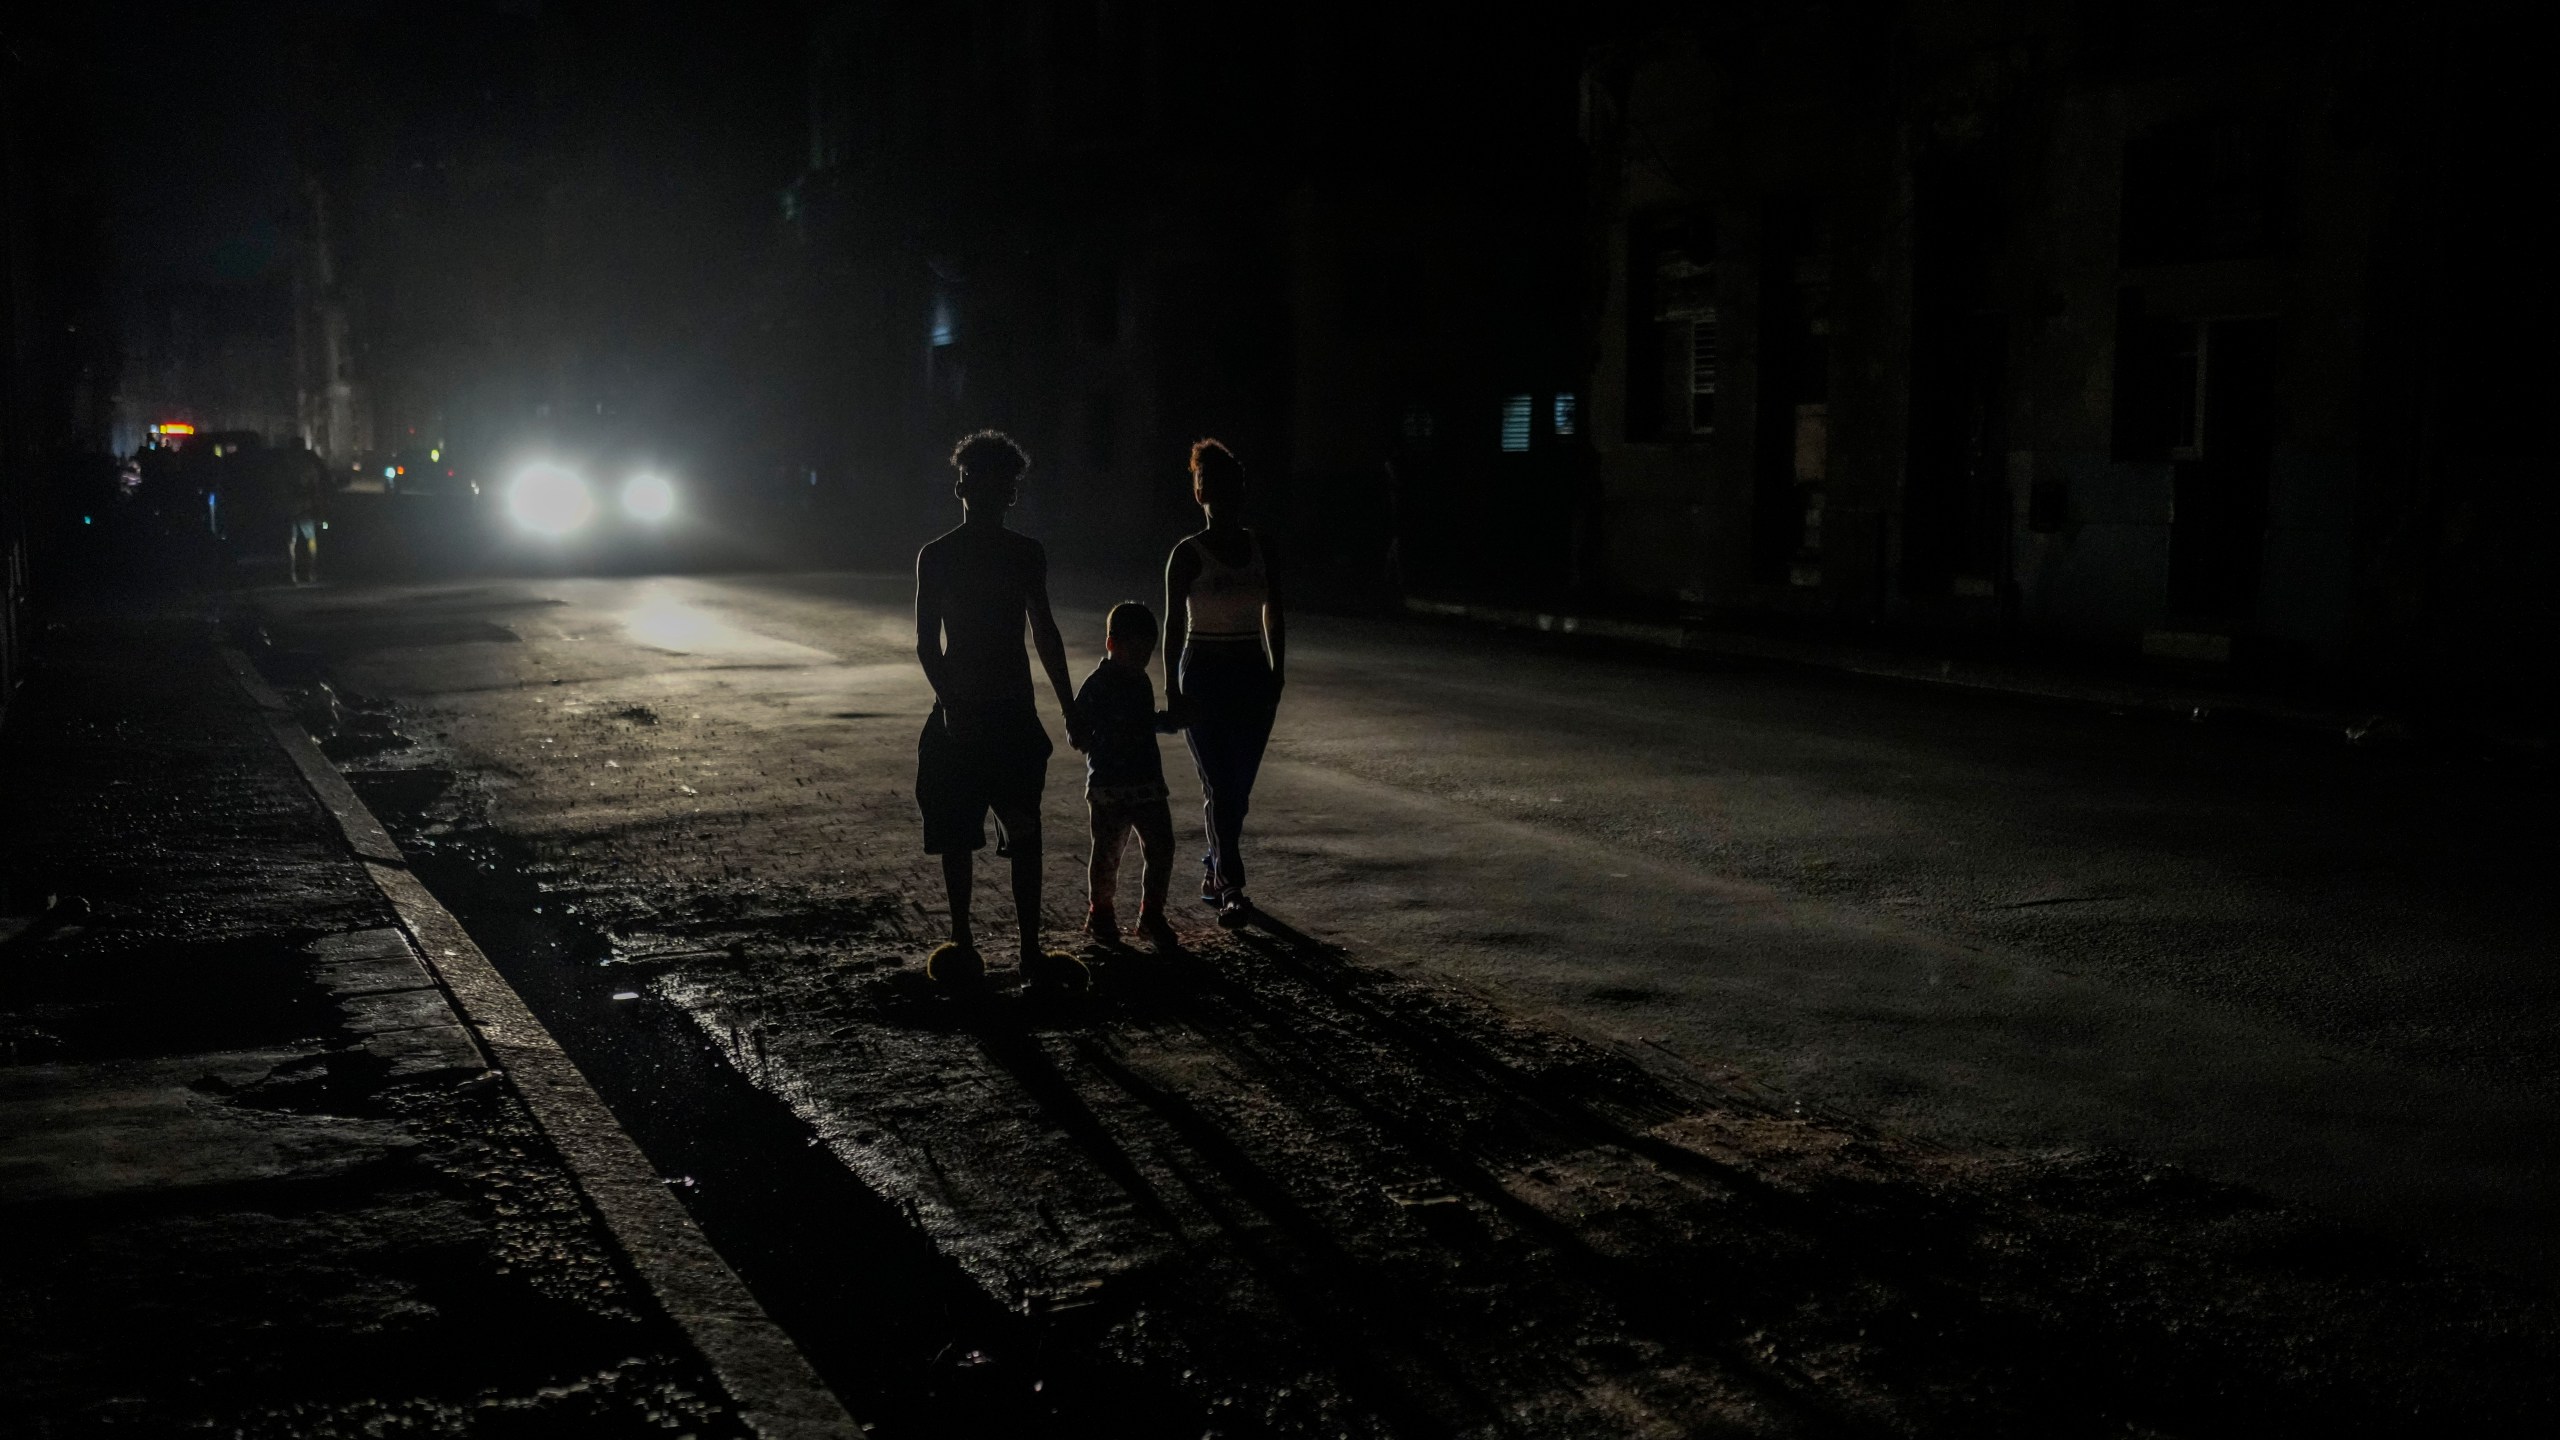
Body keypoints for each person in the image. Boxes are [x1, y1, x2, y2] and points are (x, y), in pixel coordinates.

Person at [913, 430, 1090, 988]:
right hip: (992, 710)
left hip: (984, 711)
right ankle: (1022, 952)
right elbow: (1043, 635)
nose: (991, 491)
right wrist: (1066, 707)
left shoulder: (951, 554)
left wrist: (951, 702)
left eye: (998, 482)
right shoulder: (990, 554)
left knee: (974, 834)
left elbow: (1040, 634)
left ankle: (973, 946)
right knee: (1012, 832)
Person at [1163, 438, 1285, 929]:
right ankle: (1232, 886)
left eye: (1226, 486)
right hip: (1205, 672)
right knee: (1219, 782)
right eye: (1207, 487)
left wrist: (1278, 670)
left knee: (1238, 787)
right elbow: (1173, 626)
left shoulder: (1261, 547)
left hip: (1251, 670)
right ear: (1198, 496)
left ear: (1240, 491)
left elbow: (1274, 612)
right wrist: (1172, 689)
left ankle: (1215, 869)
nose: (1217, 497)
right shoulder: (1187, 555)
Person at [1076, 601, 1183, 950]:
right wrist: (1078, 735)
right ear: (1111, 644)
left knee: (1161, 846)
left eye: (1146, 652)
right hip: (1109, 784)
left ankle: (1151, 915)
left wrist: (1166, 722)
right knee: (1108, 853)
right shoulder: (1096, 685)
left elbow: (1143, 720)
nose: (1141, 658)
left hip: (1145, 780)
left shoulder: (1139, 680)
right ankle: (1101, 913)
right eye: (1134, 650)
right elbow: (1077, 726)